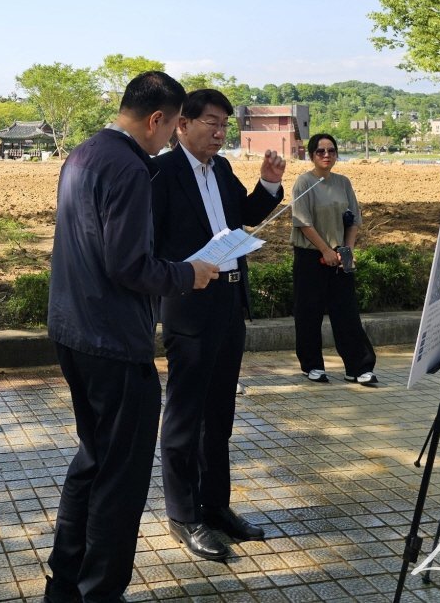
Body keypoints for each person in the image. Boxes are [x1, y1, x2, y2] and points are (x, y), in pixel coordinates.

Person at [44, 72, 220, 603]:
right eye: (170, 132)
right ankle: (101, 591)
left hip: (72, 329)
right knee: (120, 479)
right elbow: (129, 265)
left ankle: (66, 582)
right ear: (156, 119)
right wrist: (189, 274)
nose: (169, 142)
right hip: (112, 340)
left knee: (93, 460)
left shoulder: (84, 153)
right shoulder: (128, 167)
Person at [151, 88, 285, 561]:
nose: (219, 132)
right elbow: (149, 244)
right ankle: (183, 515)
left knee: (220, 416)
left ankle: (216, 506)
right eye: (211, 122)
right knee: (186, 416)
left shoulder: (223, 169)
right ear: (181, 126)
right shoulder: (161, 174)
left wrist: (268, 185)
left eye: (225, 125)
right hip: (189, 306)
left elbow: (244, 216)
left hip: (229, 304)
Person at [290, 133, 377, 385]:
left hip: (340, 256)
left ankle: (358, 367)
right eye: (320, 151)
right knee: (309, 312)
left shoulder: (343, 182)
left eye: (331, 151)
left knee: (347, 312)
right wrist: (325, 251)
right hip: (310, 256)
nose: (326, 155)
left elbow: (353, 220)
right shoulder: (304, 183)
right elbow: (303, 222)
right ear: (311, 155)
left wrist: (346, 251)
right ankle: (312, 365)